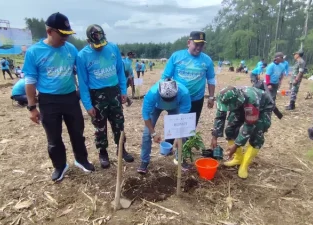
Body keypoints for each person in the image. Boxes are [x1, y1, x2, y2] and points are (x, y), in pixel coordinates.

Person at [23, 12, 95, 182]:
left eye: (67, 35)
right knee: (54, 137)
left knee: (77, 132)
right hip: (48, 100)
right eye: (62, 35)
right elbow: (30, 81)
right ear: (49, 31)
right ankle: (60, 166)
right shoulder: (34, 52)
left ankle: (81, 159)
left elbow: (82, 72)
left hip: (70, 97)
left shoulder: (70, 49)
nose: (65, 39)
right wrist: (32, 107)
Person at [76, 24, 134, 169]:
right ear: (89, 41)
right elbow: (82, 83)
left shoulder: (113, 48)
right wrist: (88, 105)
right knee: (100, 126)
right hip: (96, 95)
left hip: (114, 92)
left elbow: (120, 72)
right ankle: (103, 153)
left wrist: (123, 92)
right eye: (96, 45)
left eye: (102, 44)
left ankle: (121, 149)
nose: (100, 47)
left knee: (118, 123)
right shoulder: (82, 56)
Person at [210, 86, 274, 178]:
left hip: (263, 108)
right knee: (230, 130)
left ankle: (244, 165)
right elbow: (220, 116)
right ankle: (238, 158)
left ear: (235, 103)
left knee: (257, 136)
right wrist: (214, 136)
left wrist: (236, 145)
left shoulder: (251, 101)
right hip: (241, 105)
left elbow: (249, 126)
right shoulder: (224, 98)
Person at [161, 31, 216, 126]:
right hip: (177, 99)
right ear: (189, 43)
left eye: (201, 45)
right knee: (173, 129)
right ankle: (170, 141)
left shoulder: (207, 60)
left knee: (190, 129)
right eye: (196, 44)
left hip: (197, 100)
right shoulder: (176, 56)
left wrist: (211, 97)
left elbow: (211, 79)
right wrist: (165, 98)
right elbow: (166, 78)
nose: (199, 48)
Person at [137, 78, 191, 174]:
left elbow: (183, 118)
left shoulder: (184, 93)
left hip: (175, 108)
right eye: (166, 100)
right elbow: (146, 116)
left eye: (171, 100)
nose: (168, 102)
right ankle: (144, 161)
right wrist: (153, 133)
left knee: (183, 135)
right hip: (156, 107)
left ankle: (180, 159)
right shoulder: (152, 94)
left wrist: (178, 136)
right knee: (146, 134)